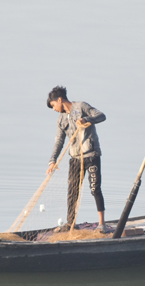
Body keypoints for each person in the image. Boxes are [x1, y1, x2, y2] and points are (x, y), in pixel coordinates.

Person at [45, 86, 108, 231]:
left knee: (95, 189)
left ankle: (102, 224)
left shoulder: (82, 107)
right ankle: (70, 224)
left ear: (60, 100)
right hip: (75, 158)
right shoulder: (61, 120)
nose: (54, 109)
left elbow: (102, 116)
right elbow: (59, 142)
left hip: (91, 155)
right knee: (73, 191)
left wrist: (87, 119)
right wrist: (52, 161)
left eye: (54, 106)